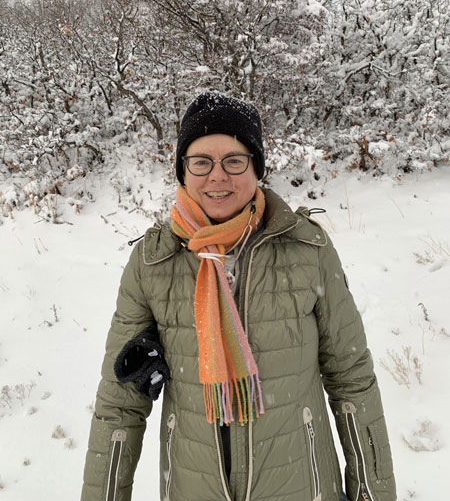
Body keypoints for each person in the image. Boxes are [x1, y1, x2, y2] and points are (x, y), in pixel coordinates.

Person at [81, 92, 396, 501]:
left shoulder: (307, 250)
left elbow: (352, 380)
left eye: (234, 160)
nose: (217, 176)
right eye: (201, 161)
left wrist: (372, 493)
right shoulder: (152, 262)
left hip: (302, 488)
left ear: (256, 168)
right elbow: (119, 403)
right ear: (183, 170)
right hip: (192, 488)